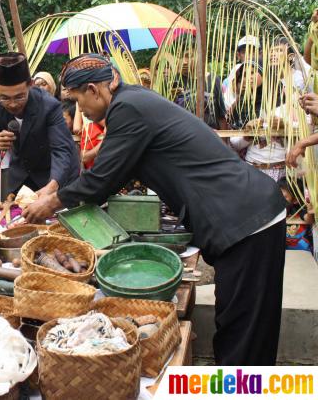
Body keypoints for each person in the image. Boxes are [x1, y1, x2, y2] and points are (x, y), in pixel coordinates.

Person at [23, 53, 287, 366]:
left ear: (94, 89)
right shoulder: (134, 100)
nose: (82, 111)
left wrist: (51, 203)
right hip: (245, 216)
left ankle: (242, 389)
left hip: (245, 218)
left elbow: (101, 179)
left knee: (243, 330)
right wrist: (55, 189)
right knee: (240, 321)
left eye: (80, 102)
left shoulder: (128, 108)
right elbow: (114, 173)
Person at [0, 52, 79, 198]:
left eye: (20, 96)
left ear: (31, 84)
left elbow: (61, 151)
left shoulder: (49, 106)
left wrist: (51, 188)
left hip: (52, 175)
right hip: (18, 177)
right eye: (5, 98)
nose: (13, 104)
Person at [174, 49, 227, 130]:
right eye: (180, 57)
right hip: (184, 135)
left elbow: (221, 116)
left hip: (210, 135)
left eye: (189, 56)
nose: (184, 62)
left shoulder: (213, 80)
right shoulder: (176, 81)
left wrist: (223, 141)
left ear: (200, 56)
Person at [279, 178, 313, 252]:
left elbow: (308, 219)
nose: (279, 199)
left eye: (284, 197)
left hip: (301, 249)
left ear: (295, 200)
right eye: (277, 194)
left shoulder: (298, 209)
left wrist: (310, 210)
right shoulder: (274, 209)